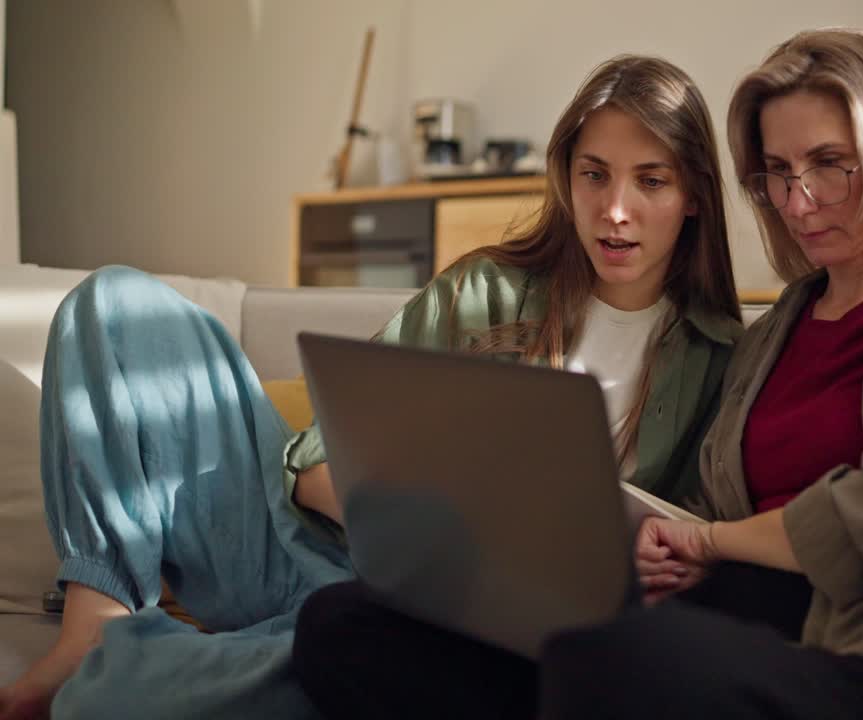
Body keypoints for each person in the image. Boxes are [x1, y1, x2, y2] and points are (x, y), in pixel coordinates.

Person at [291, 28, 863, 720]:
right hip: (729, 627)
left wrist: (712, 543)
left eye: (830, 165)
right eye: (779, 174)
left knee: (612, 659)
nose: (801, 201)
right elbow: (700, 505)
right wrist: (665, 551)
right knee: (344, 628)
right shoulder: (776, 332)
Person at [0, 54, 740, 720]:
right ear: (566, 175)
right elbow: (311, 460)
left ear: (694, 196)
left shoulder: (724, 357)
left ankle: (152, 672)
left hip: (411, 623)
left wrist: (661, 555)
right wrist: (413, 519)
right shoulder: (487, 291)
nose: (615, 210)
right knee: (116, 304)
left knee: (189, 689)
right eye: (594, 173)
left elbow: (697, 550)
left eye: (651, 180)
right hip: (301, 540)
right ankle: (94, 624)